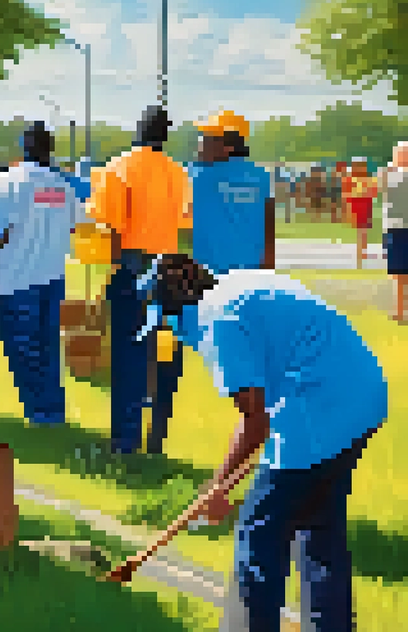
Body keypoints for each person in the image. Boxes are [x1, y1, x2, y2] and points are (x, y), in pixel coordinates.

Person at [142, 254, 386, 632]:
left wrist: (218, 487)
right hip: (362, 394)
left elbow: (255, 420)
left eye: (166, 323)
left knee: (258, 535)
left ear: (178, 310)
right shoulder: (234, 284)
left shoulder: (216, 322)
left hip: (320, 405)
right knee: (319, 526)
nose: (171, 333)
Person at [90, 104, 191, 456]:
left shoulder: (118, 168)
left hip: (133, 265)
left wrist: (114, 272)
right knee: (162, 354)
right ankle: (156, 440)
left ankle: (124, 441)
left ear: (138, 129)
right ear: (165, 135)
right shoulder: (178, 173)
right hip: (168, 268)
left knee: (128, 354)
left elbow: (111, 227)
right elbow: (184, 223)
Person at [0, 122, 80, 426]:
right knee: (47, 347)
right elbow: (74, 225)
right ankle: (52, 411)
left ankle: (39, 412)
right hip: (53, 278)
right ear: (50, 148)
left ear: (23, 146)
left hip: (16, 279)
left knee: (20, 348)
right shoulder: (63, 186)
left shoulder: (5, 184)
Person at [189, 111, 275, 276]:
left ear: (228, 147)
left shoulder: (198, 175)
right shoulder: (262, 176)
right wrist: (268, 270)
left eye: (207, 138)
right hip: (251, 274)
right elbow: (269, 227)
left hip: (208, 275)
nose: (200, 144)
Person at [378, 143, 408, 322]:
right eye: (400, 153)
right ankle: (399, 310)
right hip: (393, 227)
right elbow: (379, 189)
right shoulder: (389, 174)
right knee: (397, 272)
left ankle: (402, 309)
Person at [343, 158, 377, 269]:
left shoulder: (369, 179)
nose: (360, 168)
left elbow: (374, 192)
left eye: (362, 165)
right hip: (356, 203)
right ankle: (360, 252)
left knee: (363, 229)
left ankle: (363, 250)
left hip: (365, 203)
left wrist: (368, 192)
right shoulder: (350, 179)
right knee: (360, 229)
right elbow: (346, 194)